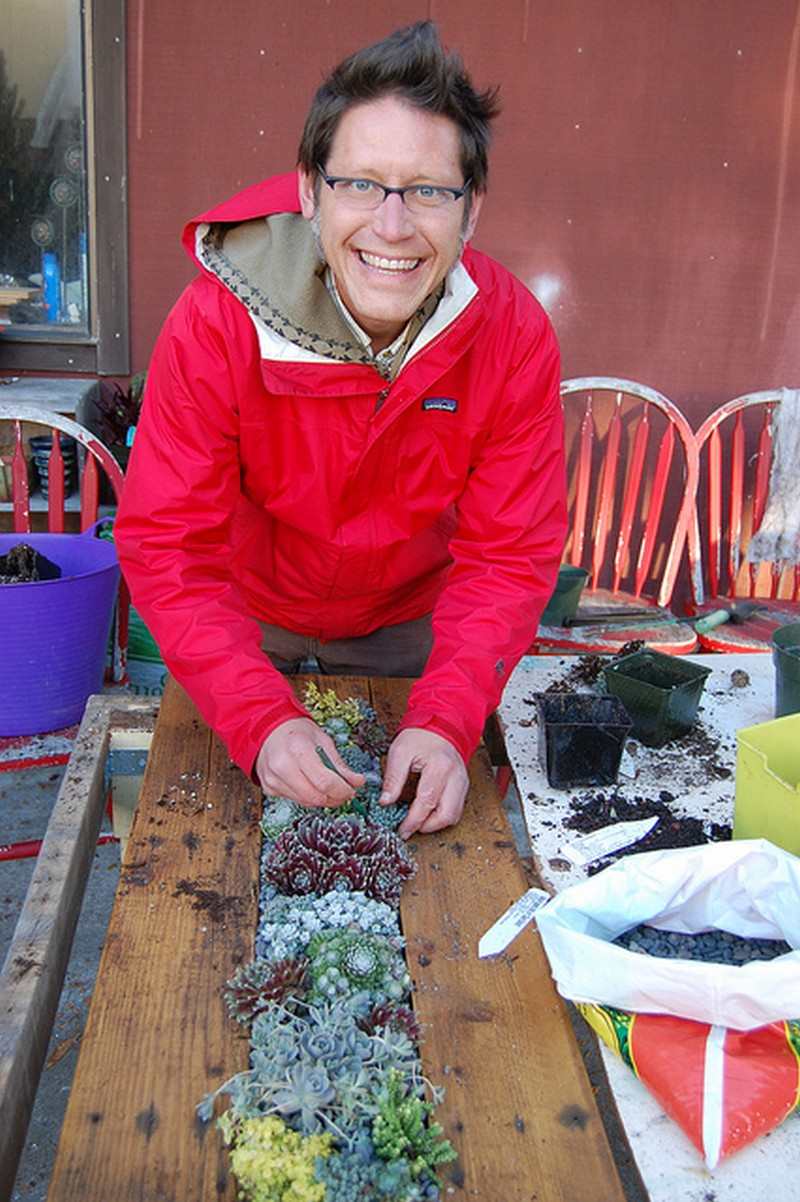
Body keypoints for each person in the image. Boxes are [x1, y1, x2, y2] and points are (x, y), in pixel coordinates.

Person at [115, 21, 567, 839]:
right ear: (308, 190)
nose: (392, 226)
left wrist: (449, 718)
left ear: (471, 213)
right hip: (245, 627)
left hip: (410, 634)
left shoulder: (513, 335)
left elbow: (508, 556)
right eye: (361, 184)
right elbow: (169, 546)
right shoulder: (217, 320)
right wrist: (257, 716)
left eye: (429, 190)